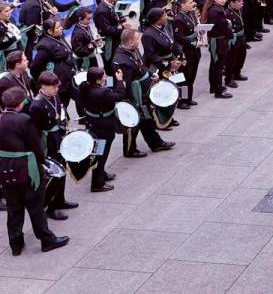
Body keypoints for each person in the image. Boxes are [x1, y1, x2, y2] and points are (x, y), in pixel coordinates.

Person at [0, 86, 69, 256]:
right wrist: (42, 162)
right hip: (27, 168)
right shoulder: (24, 120)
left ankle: (15, 243)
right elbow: (36, 145)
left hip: (5, 168)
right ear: (20, 104)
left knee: (13, 207)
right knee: (35, 206)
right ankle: (46, 239)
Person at [111, 27, 173, 157]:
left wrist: (150, 74)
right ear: (130, 43)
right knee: (133, 123)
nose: (139, 41)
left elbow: (140, 66)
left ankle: (156, 143)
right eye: (137, 39)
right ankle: (129, 150)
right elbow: (125, 83)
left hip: (142, 92)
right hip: (133, 95)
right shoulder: (122, 60)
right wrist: (132, 101)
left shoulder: (133, 50)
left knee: (146, 119)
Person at [27, 71, 77, 219]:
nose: (57, 89)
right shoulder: (36, 105)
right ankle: (49, 207)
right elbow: (36, 130)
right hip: (47, 140)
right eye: (53, 87)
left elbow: (60, 108)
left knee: (62, 167)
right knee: (54, 173)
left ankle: (60, 199)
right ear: (43, 86)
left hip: (57, 135)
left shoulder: (54, 95)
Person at [75, 65, 119, 193]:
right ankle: (97, 183)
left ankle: (102, 173)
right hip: (103, 126)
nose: (106, 77)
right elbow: (119, 96)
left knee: (100, 152)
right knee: (101, 153)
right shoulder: (101, 93)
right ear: (98, 80)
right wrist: (120, 81)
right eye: (104, 76)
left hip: (93, 122)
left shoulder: (84, 86)